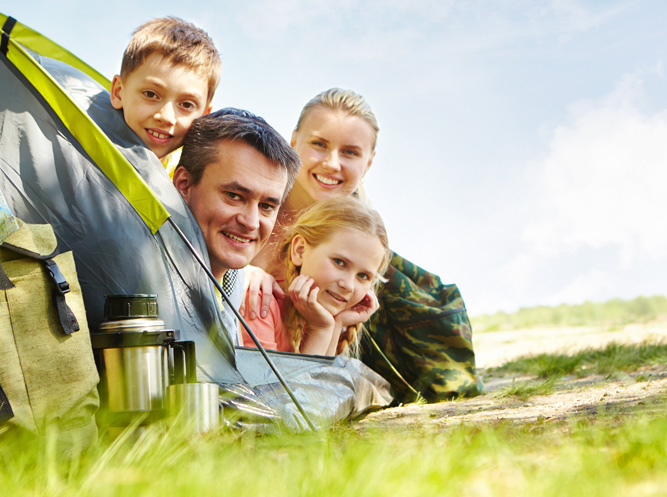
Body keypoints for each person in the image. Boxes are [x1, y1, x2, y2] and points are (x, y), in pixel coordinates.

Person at [243, 88, 481, 402]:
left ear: (368, 163)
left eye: (350, 153)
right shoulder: (253, 205)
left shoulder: (361, 250)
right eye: (318, 144)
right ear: (293, 142)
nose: (331, 163)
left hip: (296, 372)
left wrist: (338, 319)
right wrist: (240, 271)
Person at [173, 108, 300, 345]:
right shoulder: (145, 272)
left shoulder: (241, 287)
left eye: (266, 206)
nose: (250, 222)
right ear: (184, 184)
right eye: (234, 195)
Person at [240, 196, 390, 356]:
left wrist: (336, 325)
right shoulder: (260, 303)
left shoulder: (322, 315)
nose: (349, 285)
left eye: (363, 276)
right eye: (339, 262)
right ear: (300, 250)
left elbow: (323, 379)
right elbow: (276, 382)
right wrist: (321, 331)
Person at [109, 16, 219, 168]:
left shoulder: (187, 185)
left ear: (203, 117)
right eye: (150, 94)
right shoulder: (76, 146)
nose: (166, 117)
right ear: (118, 92)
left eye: (186, 105)